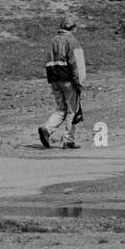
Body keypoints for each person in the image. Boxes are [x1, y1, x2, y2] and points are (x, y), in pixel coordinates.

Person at [38, 17, 87, 150]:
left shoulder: (53, 40)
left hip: (54, 79)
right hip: (68, 80)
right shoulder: (73, 42)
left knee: (61, 108)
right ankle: (68, 140)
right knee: (72, 110)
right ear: (73, 28)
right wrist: (80, 83)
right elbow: (77, 64)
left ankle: (46, 129)